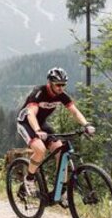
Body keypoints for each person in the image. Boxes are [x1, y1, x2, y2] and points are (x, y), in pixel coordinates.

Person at [15, 67, 95, 197]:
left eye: (63, 85)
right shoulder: (39, 93)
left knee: (60, 150)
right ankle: (29, 179)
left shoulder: (62, 96)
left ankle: (60, 190)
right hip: (26, 123)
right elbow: (30, 114)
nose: (61, 88)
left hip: (41, 125)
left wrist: (86, 124)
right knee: (40, 150)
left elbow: (74, 111)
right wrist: (37, 130)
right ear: (50, 83)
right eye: (58, 85)